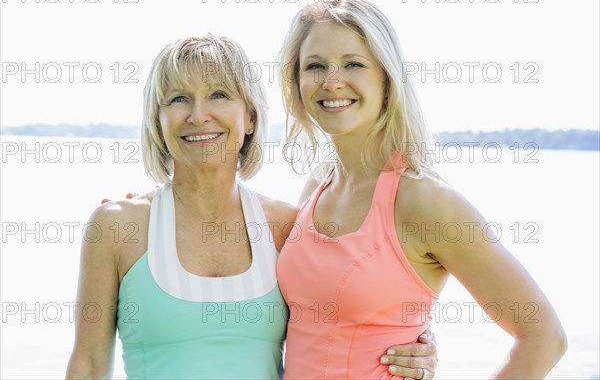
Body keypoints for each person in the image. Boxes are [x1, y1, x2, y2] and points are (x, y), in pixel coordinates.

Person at [66, 35, 438, 379]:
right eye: (178, 98)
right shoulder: (115, 228)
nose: (198, 115)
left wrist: (416, 343)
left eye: (218, 94)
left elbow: (346, 319)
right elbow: (88, 365)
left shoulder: (287, 227)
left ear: (250, 118)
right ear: (157, 121)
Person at [275, 0, 567, 380]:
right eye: (315, 66)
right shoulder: (318, 185)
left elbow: (543, 336)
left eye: (353, 64)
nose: (332, 81)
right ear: (297, 81)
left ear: (386, 77)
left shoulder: (423, 200)